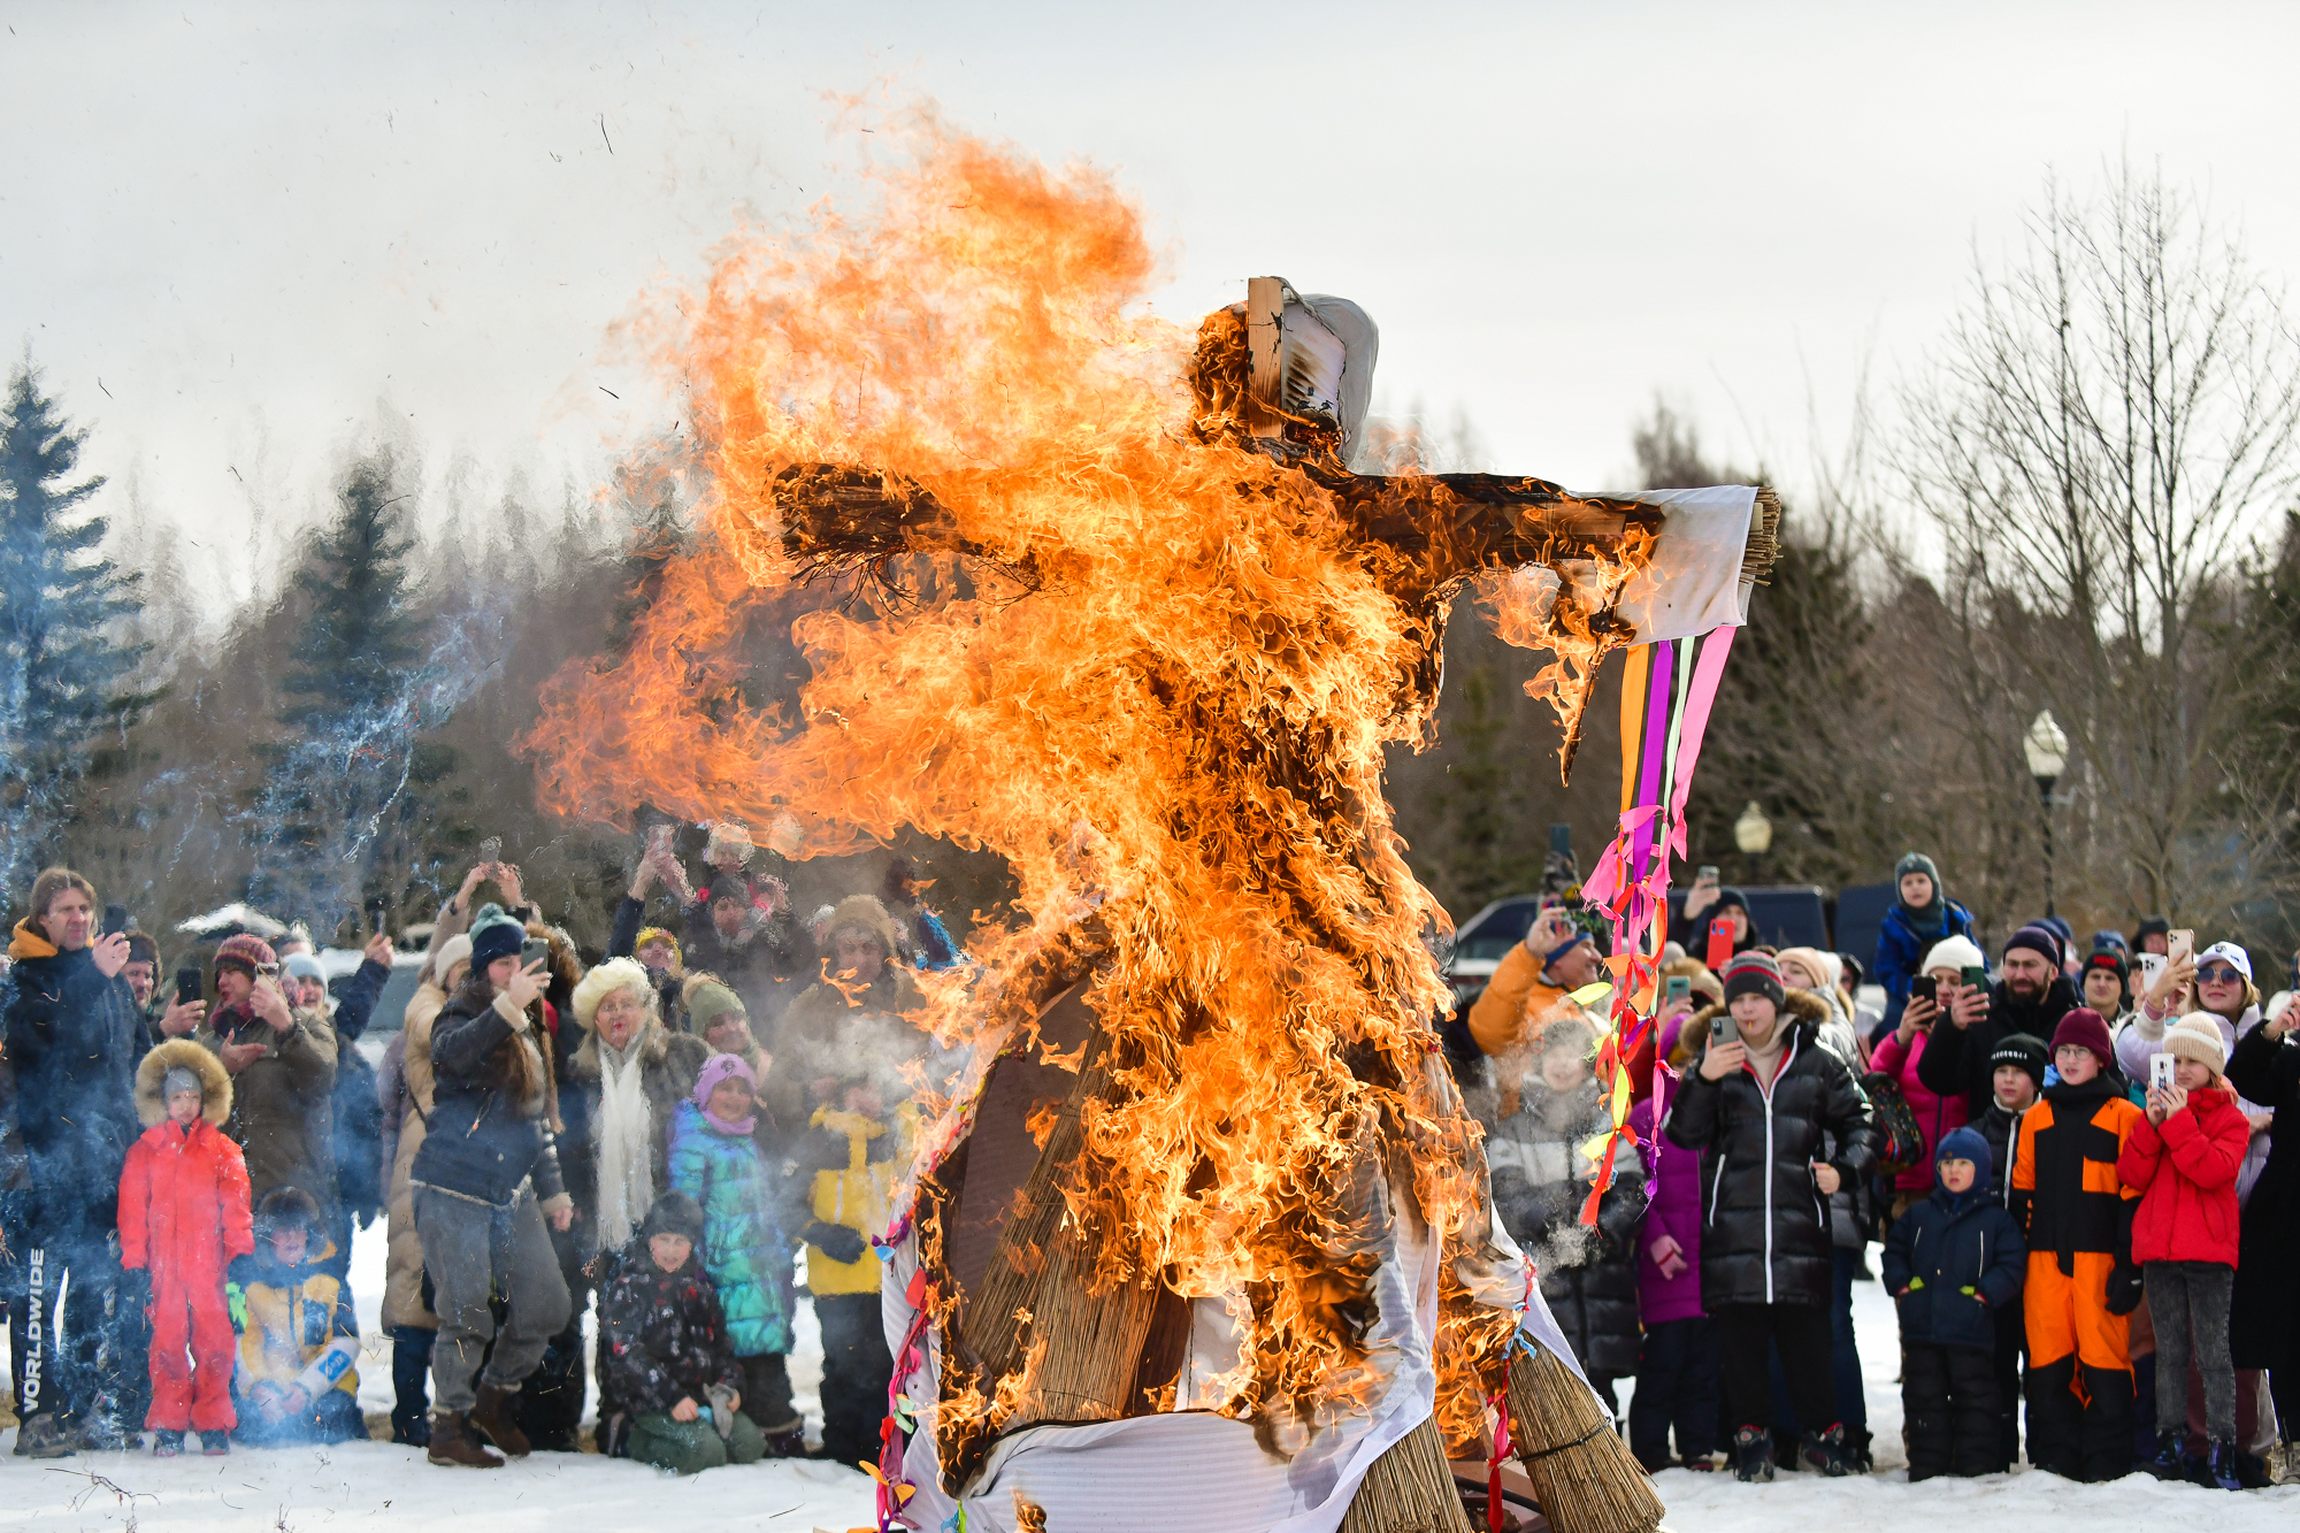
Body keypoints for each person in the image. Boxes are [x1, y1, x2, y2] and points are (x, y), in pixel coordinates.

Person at [1662, 951, 1878, 1481]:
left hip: (1800, 1225)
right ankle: (1750, 1440)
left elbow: (1864, 1124)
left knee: (1809, 1341)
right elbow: (1682, 1136)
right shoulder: (1712, 1058)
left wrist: (1843, 1171)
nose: (1749, 1008)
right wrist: (1705, 1078)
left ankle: (1824, 1436)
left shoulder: (1816, 1057)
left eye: (1758, 996)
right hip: (1733, 1229)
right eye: (1739, 999)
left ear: (1777, 999)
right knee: (1742, 1345)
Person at [409, 902, 575, 1468]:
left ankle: (493, 1398)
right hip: (453, 1185)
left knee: (548, 1305)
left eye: (519, 960)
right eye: (502, 962)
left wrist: (552, 1190)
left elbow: (535, 1116)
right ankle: (448, 1426)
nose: (514, 970)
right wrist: (508, 1006)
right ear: (483, 969)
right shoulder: (459, 1013)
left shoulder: (528, 1022)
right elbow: (451, 1056)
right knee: (467, 1313)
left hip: (510, 1187)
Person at [4, 867, 153, 1455]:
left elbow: (137, 1063)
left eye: (83, 910)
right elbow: (43, 1048)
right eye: (64, 910)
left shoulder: (110, 980)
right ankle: (38, 1414)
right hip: (41, 1168)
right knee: (37, 1294)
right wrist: (94, 977)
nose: (77, 919)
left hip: (104, 1163)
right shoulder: (26, 981)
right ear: (41, 919)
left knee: (94, 1293)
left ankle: (80, 1406)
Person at [561, 957, 709, 1454]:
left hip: (669, 1218)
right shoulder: (578, 1073)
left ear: (646, 1009)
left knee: (677, 1320)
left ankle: (680, 1411)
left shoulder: (681, 1054)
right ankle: (617, 1418)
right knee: (615, 1321)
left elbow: (726, 1100)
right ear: (594, 1019)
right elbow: (571, 1152)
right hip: (607, 1224)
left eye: (627, 1003)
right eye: (607, 1007)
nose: (618, 1014)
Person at [1482, 1014, 1646, 1418]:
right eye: (1554, 1054)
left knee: (1603, 1384)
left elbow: (1632, 1192)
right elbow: (1505, 1196)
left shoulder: (1607, 1125)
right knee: (1551, 1381)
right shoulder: (1514, 1130)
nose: (1561, 1064)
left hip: (1600, 1270)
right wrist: (1557, 1228)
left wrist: (1598, 1230)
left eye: (1572, 1055)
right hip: (1544, 1271)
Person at [2010, 1008, 2143, 1482]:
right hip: (2043, 1260)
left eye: (2081, 1051)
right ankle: (2054, 1459)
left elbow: (2132, 1197)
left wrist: (2129, 1266)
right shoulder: (2036, 1116)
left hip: (2100, 1259)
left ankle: (2106, 1461)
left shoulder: (2124, 1115)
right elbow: (2021, 1193)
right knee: (2047, 1363)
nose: (2070, 1059)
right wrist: (2015, 1261)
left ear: (2100, 1058)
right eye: (2063, 1051)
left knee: (2105, 1362)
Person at [2120, 1014, 2249, 1489]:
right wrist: (2152, 1125)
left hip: (2210, 1254)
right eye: (2174, 1059)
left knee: (2212, 1354)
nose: (2183, 1068)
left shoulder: (2230, 1117)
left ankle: (2221, 1448)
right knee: (2169, 1353)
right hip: (2161, 1250)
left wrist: (2176, 1124)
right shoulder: (2155, 1113)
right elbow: (2131, 1174)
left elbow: (2214, 1171)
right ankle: (2170, 1442)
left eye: (2193, 1060)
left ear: (2213, 1066)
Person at [117, 1039, 253, 1457]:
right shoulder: (145, 1152)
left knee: (215, 1344)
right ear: (163, 1100)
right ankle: (170, 1422)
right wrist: (135, 1260)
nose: (186, 1105)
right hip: (164, 1268)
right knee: (167, 1345)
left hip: (209, 1267)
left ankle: (213, 1422)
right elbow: (132, 1210)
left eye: (193, 1096)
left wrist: (241, 1254)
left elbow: (236, 1206)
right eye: (177, 1097)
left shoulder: (223, 1151)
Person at [666, 1052, 805, 1455]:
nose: (733, 1098)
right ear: (707, 1092)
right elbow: (684, 1210)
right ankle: (777, 1443)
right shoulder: (694, 1140)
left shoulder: (750, 1136)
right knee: (752, 1363)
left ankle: (772, 1442)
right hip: (725, 1276)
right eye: (724, 1089)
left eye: (742, 1090)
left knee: (765, 1357)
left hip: (761, 1274)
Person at [1883, 1125, 2026, 1479]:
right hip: (1923, 1330)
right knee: (1923, 1399)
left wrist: (1983, 1295)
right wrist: (1903, 1287)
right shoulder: (1919, 1216)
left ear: (1978, 1167)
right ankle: (1927, 1466)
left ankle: (1975, 1467)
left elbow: (2011, 1264)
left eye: (1963, 1163)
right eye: (1947, 1163)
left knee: (1975, 1399)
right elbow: (1895, 1253)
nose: (1953, 1170)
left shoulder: (1995, 1220)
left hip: (1971, 1330)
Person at [376, 928, 470, 1448]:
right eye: (459, 970)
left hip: (458, 1163)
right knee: (415, 1293)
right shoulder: (425, 1009)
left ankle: (453, 1411)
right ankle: (409, 1414)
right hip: (422, 1162)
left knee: (459, 1295)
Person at [598, 1191, 769, 1474]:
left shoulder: (699, 1287)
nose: (670, 1251)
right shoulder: (629, 1286)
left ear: (691, 1245)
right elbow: (625, 1354)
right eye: (663, 1240)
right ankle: (628, 1438)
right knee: (705, 1453)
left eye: (680, 1241)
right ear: (648, 1240)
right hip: (648, 1403)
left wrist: (731, 1387)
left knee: (750, 1445)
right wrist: (671, 1397)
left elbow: (721, 1348)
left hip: (698, 1398)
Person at [195, 934, 340, 1234]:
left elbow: (322, 1078)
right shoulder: (215, 1039)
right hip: (228, 1197)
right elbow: (190, 1112)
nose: (222, 980)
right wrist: (222, 1069)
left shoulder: (307, 1024)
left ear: (259, 976)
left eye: (232, 972)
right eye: (219, 973)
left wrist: (286, 1028)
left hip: (292, 1193)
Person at [1626, 1011, 1719, 1472]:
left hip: (1709, 1260)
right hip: (1665, 1261)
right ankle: (1649, 1448)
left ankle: (1699, 1444)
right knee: (1663, 1359)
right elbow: (1633, 1187)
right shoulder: (1647, 1116)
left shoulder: (1718, 1108)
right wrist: (1656, 1238)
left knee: (1703, 1362)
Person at [2227, 992, 2300, 1485]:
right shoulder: (2291, 1057)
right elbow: (2242, 1076)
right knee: (2286, 1338)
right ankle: (2294, 1450)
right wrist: (2274, 1029)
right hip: (2286, 1213)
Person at [231, 1187, 366, 1446]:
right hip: (274, 1386)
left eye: (299, 1228)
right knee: (253, 1425)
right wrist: (262, 1388)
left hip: (323, 1387)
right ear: (269, 1237)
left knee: (333, 1417)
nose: (292, 1237)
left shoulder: (330, 1281)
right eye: (283, 1230)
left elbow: (346, 1344)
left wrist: (307, 1388)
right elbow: (246, 1344)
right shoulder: (253, 1286)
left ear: (309, 1234)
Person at [1869, 936, 1986, 1219]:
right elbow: (1874, 1082)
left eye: (1955, 981)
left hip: (1966, 1184)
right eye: (1936, 979)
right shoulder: (1908, 1036)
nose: (1944, 990)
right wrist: (1901, 1038)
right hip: (1909, 1183)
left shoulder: (1981, 1034)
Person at [1918, 924, 2080, 1119]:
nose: (2020, 974)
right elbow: (1940, 1082)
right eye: (2012, 965)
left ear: (2053, 972)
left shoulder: (2075, 1023)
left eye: (2030, 965)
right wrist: (1951, 1027)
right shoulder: (1982, 1016)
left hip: (2055, 1140)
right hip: (1992, 1141)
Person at [1975, 1032, 2046, 1463]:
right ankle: (1997, 1447)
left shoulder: (2051, 1125)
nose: (2008, 1079)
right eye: (2001, 1070)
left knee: (2039, 1362)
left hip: (2040, 1262)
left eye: (2018, 1071)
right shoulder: (1976, 1132)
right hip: (1992, 1267)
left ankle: (2042, 1444)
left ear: (2036, 1080)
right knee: (1995, 1360)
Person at [1465, 904, 1607, 1111]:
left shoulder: (1583, 1010)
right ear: (1557, 958)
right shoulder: (1526, 1008)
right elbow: (1489, 1032)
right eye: (1586, 946)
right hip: (1529, 1138)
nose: (1597, 956)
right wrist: (1530, 953)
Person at [1873, 853, 1977, 1035]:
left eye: (1921, 881)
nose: (1915, 887)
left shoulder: (1954, 917)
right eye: (1908, 883)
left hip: (1955, 989)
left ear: (1934, 884)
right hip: (1909, 994)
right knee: (1892, 1027)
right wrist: (1911, 989)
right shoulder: (1893, 924)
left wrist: (1971, 987)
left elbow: (1977, 960)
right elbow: (1885, 968)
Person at [881, 855, 964, 969]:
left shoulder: (924, 912)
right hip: (925, 974)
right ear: (897, 886)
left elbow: (947, 952)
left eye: (914, 883)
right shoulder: (892, 917)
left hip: (947, 970)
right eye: (909, 885)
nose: (914, 889)